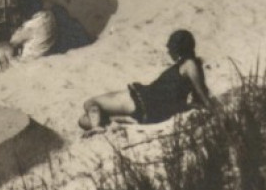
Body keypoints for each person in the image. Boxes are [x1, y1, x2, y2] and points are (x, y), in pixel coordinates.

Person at [78, 29, 210, 132]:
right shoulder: (187, 64)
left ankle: (97, 127)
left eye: (171, 48)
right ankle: (116, 120)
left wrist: (207, 106)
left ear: (179, 48)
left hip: (145, 100)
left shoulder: (189, 65)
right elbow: (198, 94)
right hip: (150, 106)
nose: (169, 51)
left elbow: (202, 95)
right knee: (83, 120)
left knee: (90, 102)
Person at [0, 0, 64, 72]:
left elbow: (13, 41)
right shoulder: (49, 15)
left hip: (30, 61)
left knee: (0, 52)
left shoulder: (31, 26)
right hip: (46, 54)